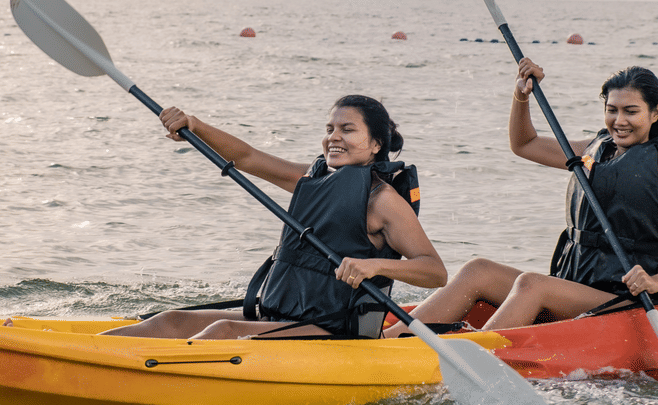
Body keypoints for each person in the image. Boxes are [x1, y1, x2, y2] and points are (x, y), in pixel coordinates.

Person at [384, 57, 658, 336]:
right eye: (612, 110)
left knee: (532, 284)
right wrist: (521, 95)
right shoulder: (590, 153)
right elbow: (523, 144)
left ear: (654, 113)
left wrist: (655, 282)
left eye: (631, 111)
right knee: (477, 270)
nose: (619, 121)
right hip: (575, 286)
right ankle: (385, 342)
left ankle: (472, 357)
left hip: (624, 300)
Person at [101, 95, 447, 340]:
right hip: (280, 316)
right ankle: (86, 351)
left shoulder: (382, 199)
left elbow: (434, 271)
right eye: (329, 128)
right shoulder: (312, 179)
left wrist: (375, 266)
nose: (333, 137)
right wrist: (196, 126)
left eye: (348, 129)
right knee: (171, 321)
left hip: (333, 331)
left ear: (375, 144)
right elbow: (248, 157)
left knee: (224, 332)